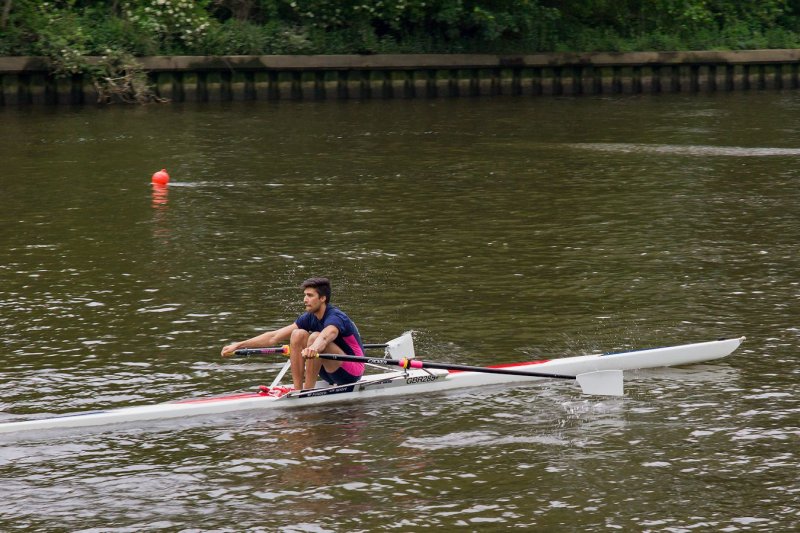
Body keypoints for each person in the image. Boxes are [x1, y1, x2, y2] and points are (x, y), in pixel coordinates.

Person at [221, 277, 365, 390]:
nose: (305, 300)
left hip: (351, 371)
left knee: (314, 337)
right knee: (297, 334)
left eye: (310, 295)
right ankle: (298, 390)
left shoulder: (335, 317)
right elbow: (274, 336)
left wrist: (313, 348)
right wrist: (238, 345)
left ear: (322, 298)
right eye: (305, 295)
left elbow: (326, 335)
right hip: (328, 371)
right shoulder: (309, 317)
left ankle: (308, 391)